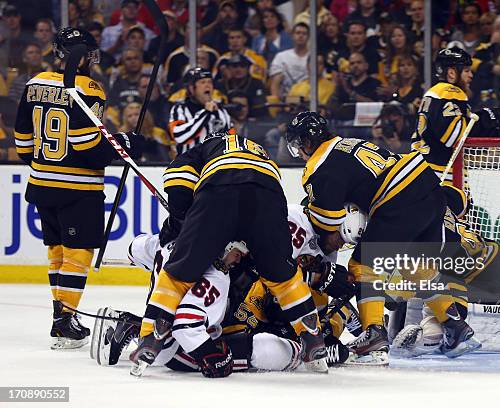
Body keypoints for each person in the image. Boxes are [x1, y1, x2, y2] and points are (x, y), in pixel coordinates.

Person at [285, 111, 483, 365]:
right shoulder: (348, 143)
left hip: (399, 197)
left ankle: (373, 337)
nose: (299, 153)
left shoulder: (318, 165)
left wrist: (324, 248)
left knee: (362, 266)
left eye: (297, 145)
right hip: (427, 186)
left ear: (307, 142)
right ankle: (457, 328)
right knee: (416, 267)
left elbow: (328, 225)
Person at [129, 130, 329, 375]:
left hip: (220, 189)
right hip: (270, 195)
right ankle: (312, 337)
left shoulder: (204, 149)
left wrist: (180, 220)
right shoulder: (258, 150)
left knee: (179, 273)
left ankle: (150, 337)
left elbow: (178, 180)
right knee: (283, 275)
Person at [13, 27, 141, 350]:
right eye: (89, 54)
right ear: (79, 56)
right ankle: (64, 320)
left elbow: (22, 142)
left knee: (56, 251)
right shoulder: (89, 89)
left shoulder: (34, 84)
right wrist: (124, 144)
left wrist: (45, 167)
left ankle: (61, 316)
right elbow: (89, 147)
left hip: (42, 185)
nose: (92, 60)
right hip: (78, 189)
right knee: (78, 253)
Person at [411, 47, 500, 185]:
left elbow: (461, 128)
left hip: (424, 169)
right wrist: (488, 118)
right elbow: (456, 138)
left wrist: (493, 130)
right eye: (466, 71)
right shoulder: (450, 92)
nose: (471, 75)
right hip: (440, 174)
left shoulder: (435, 93)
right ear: (452, 73)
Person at [168, 67, 231, 154]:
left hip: (213, 165)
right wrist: (205, 113)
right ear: (191, 88)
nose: (207, 85)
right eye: (202, 82)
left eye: (210, 82)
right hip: (188, 165)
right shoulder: (179, 109)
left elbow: (230, 141)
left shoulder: (221, 112)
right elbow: (180, 136)